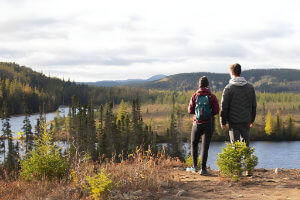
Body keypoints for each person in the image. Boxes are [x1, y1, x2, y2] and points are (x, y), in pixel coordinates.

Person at [188, 76, 220, 175]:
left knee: (194, 144)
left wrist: (198, 113)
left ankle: (194, 167)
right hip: (208, 124)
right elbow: (216, 111)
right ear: (208, 85)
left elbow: (190, 110)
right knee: (205, 146)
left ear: (199, 85)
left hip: (196, 124)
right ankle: (203, 169)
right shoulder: (212, 96)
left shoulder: (195, 96)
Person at [220, 63, 257, 147]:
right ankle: (247, 161)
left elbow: (224, 107)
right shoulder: (250, 88)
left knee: (235, 148)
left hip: (233, 123)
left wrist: (223, 122)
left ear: (232, 73)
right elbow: (254, 105)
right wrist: (252, 120)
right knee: (245, 147)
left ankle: (237, 161)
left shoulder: (228, 88)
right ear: (240, 72)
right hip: (246, 121)